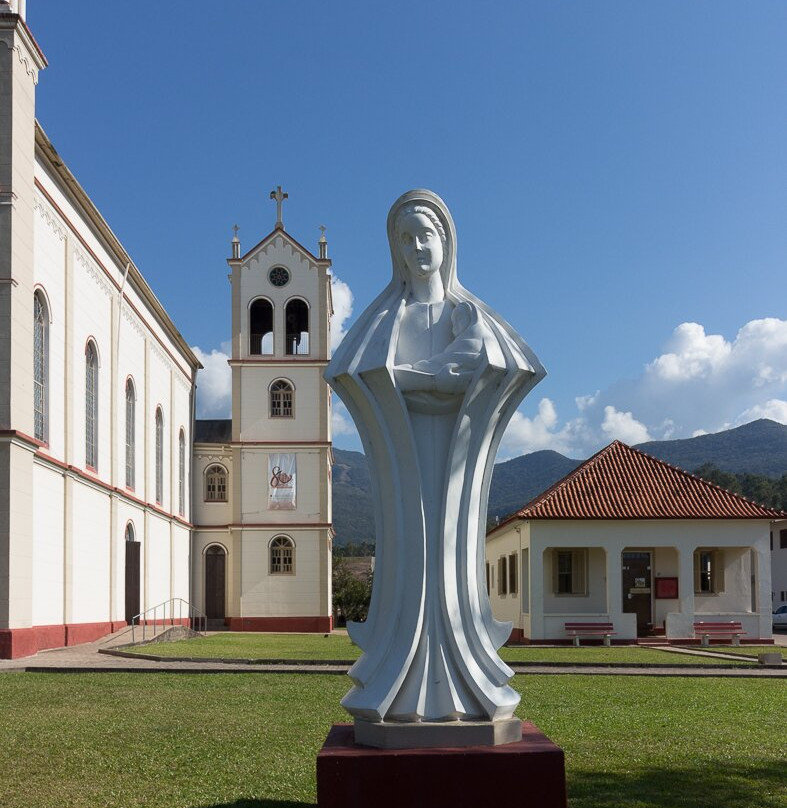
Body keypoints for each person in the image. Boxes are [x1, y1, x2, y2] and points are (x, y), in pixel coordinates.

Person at [325, 190, 545, 723]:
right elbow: (365, 377)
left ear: (447, 242)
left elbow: (492, 371)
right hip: (404, 468)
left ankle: (468, 680)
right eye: (406, 239)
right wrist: (431, 379)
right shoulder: (383, 323)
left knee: (451, 570)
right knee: (412, 568)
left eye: (427, 235)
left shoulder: (473, 318)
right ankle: (396, 683)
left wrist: (417, 381)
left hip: (452, 460)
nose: (418, 247)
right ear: (395, 251)